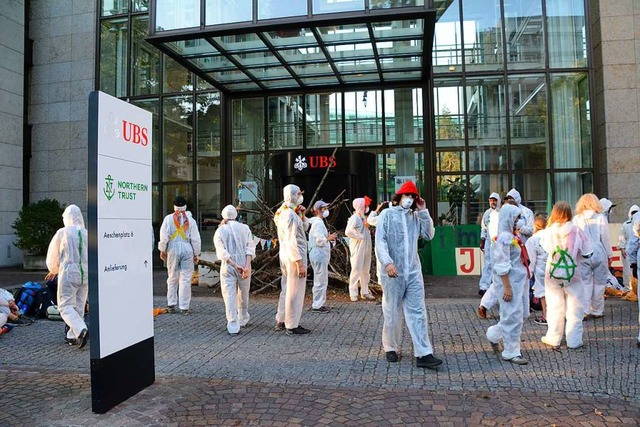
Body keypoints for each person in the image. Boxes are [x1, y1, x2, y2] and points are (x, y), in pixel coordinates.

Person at [375, 180, 443, 369]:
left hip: (413, 271)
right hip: (392, 273)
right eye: (407, 195)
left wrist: (423, 211)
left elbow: (429, 235)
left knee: (418, 311)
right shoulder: (387, 215)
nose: (410, 199)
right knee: (391, 310)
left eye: (413, 196)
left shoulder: (415, 216)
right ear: (399, 197)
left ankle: (423, 353)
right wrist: (387, 263)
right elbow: (380, 241)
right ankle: (390, 347)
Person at [539, 201, 593, 349]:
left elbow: (544, 248)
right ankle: (574, 340)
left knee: (554, 305)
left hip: (553, 273)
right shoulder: (576, 230)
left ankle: (554, 337)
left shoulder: (548, 231)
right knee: (575, 306)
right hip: (572, 272)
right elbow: (588, 252)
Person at [486, 204, 529, 365]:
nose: (519, 221)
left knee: (520, 314)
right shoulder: (504, 239)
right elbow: (501, 264)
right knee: (512, 316)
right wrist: (507, 287)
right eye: (516, 218)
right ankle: (511, 351)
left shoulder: (513, 236)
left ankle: (494, 334)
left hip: (518, 282)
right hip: (510, 283)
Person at [44, 205, 89, 349]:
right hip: (86, 273)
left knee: (65, 306)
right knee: (79, 305)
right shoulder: (87, 233)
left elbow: (53, 254)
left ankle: (81, 329)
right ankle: (73, 335)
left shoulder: (63, 233)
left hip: (69, 272)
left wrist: (53, 269)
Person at [213, 205, 256, 335]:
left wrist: (233, 263)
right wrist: (247, 265)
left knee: (229, 294)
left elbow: (221, 251)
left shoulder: (220, 231)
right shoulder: (245, 228)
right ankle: (243, 317)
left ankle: (232, 323)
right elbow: (250, 247)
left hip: (229, 265)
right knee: (244, 292)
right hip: (244, 262)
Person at [275, 184, 311, 335]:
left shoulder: (285, 212)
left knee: (286, 288)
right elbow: (292, 240)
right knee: (294, 291)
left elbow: (305, 226)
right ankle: (292, 324)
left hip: (287, 255)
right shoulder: (289, 214)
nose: (300, 196)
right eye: (299, 194)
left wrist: (302, 214)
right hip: (294, 255)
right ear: (294, 195)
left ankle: (282, 319)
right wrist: (299, 263)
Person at [158, 196, 202, 315]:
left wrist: (162, 250)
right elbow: (196, 239)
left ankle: (171, 304)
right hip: (187, 248)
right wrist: (196, 253)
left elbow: (164, 235)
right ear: (185, 206)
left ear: (174, 206)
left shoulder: (168, 219)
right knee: (186, 279)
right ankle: (184, 307)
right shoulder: (191, 220)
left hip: (172, 248)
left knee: (172, 277)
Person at [573, 193, 612, 319]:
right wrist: (609, 255)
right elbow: (605, 238)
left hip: (583, 252)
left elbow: (575, 238)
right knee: (600, 283)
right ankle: (597, 310)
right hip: (599, 251)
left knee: (585, 283)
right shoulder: (601, 217)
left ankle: (585, 310)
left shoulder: (577, 219)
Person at [308, 200, 337, 313]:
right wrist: (329, 238)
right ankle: (317, 304)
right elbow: (320, 240)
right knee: (321, 280)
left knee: (320, 278)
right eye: (324, 209)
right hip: (319, 254)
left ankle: (319, 303)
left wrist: (328, 238)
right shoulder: (318, 223)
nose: (326, 211)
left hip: (319, 254)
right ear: (319, 210)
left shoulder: (317, 222)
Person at [345, 198, 375, 302]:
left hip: (366, 247)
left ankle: (365, 291)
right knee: (356, 269)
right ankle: (353, 293)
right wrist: (360, 236)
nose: (366, 207)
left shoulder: (362, 217)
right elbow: (348, 231)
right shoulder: (355, 218)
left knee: (366, 270)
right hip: (358, 247)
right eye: (365, 205)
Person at [526, 214, 549, 325]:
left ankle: (546, 316)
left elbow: (531, 259)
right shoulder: (551, 236)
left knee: (543, 294)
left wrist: (529, 273)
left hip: (540, 269)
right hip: (553, 267)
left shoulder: (533, 240)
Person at [479, 193, 501, 296]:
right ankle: (484, 286)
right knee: (488, 264)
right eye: (491, 200)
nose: (493, 202)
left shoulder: (501, 213)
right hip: (489, 241)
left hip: (500, 242)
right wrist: (482, 240)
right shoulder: (487, 213)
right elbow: (483, 227)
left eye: (494, 200)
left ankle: (497, 286)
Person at [618, 205, 639, 292]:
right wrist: (622, 249)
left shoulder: (636, 223)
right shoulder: (626, 224)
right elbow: (622, 237)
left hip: (636, 250)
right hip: (628, 250)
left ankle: (635, 289)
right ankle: (628, 288)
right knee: (627, 271)